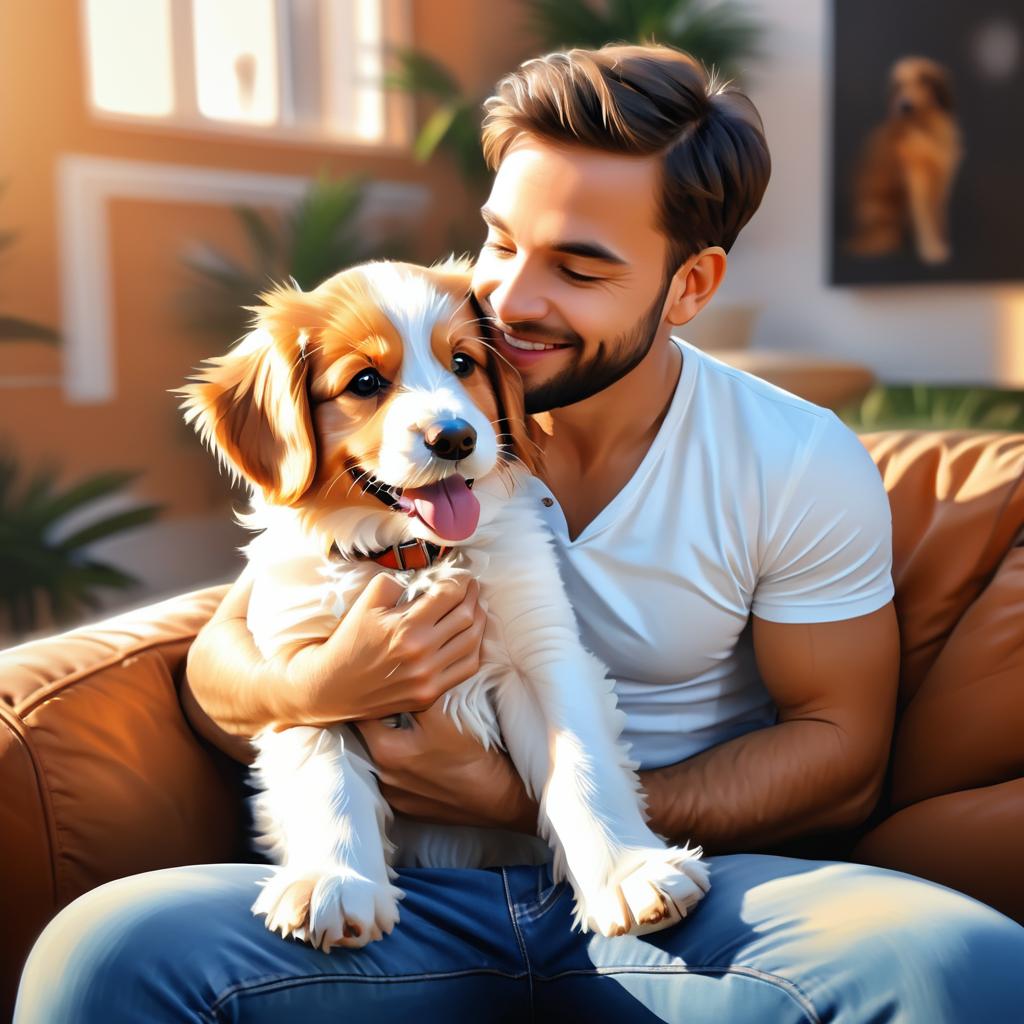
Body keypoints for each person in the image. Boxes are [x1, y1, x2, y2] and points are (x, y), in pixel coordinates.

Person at [15, 43, 1024, 1023]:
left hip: (699, 898)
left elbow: (840, 754)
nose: (510, 301)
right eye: (502, 242)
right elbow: (230, 655)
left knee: (962, 966)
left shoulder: (793, 458)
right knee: (105, 949)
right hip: (413, 906)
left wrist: (507, 795)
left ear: (691, 286)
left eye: (579, 267)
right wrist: (317, 690)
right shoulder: (421, 416)